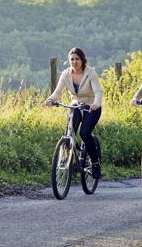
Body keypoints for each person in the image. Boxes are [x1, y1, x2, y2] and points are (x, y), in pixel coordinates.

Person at [44, 47, 103, 178]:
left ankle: (95, 163)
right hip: (76, 106)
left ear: (82, 60)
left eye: (77, 59)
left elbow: (98, 92)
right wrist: (51, 99)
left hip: (91, 107)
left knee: (84, 133)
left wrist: (96, 103)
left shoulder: (90, 73)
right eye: (72, 59)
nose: (74, 61)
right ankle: (70, 157)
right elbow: (58, 91)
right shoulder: (66, 74)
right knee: (69, 131)